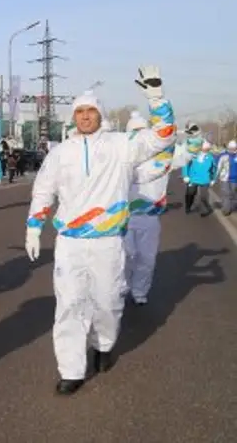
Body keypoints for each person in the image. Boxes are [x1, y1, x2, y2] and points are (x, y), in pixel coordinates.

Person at [25, 66, 178, 395]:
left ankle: (103, 343)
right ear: (73, 116)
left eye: (90, 111)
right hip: (70, 242)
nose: (84, 116)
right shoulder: (60, 152)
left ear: (100, 114)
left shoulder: (122, 145)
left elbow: (163, 136)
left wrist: (156, 97)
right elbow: (43, 190)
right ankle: (71, 369)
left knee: (107, 302)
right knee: (69, 304)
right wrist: (34, 227)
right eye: (79, 111)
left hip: (108, 241)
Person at [124, 112, 193, 306]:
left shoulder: (162, 159)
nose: (139, 136)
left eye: (141, 131)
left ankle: (139, 291)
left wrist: (193, 138)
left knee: (147, 259)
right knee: (126, 257)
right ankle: (124, 287)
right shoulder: (121, 159)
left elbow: (186, 155)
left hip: (150, 218)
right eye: (134, 132)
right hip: (123, 218)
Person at [182, 137, 216, 216]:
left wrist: (213, 179)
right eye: (204, 149)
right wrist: (185, 175)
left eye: (207, 149)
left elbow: (213, 169)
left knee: (203, 197)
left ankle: (206, 210)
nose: (205, 150)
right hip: (193, 179)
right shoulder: (193, 155)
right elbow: (185, 165)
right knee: (190, 193)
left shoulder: (210, 157)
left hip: (205, 180)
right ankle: (188, 206)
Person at [216, 140, 237, 215]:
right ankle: (226, 210)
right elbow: (218, 166)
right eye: (231, 148)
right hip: (224, 178)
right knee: (226, 194)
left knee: (233, 193)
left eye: (234, 148)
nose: (232, 150)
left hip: (235, 179)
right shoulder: (223, 155)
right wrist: (215, 177)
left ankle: (232, 207)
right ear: (228, 148)